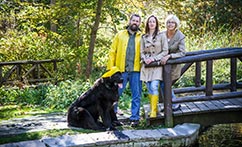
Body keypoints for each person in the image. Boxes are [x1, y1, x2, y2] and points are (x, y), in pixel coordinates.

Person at [107, 14, 142, 127]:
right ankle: (112, 117)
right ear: (129, 21)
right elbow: (112, 52)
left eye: (137, 21)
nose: (135, 22)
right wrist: (111, 69)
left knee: (136, 94)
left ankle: (135, 118)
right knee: (115, 94)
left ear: (139, 23)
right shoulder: (120, 35)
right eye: (133, 20)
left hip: (136, 70)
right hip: (121, 71)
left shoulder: (142, 37)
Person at [140, 15, 168, 118]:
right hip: (146, 66)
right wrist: (145, 59)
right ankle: (154, 107)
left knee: (154, 86)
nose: (151, 23)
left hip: (156, 65)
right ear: (147, 24)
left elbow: (165, 51)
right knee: (149, 88)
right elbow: (141, 52)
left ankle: (153, 111)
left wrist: (154, 58)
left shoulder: (162, 36)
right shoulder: (143, 37)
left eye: (153, 22)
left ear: (156, 24)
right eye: (150, 22)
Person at [160, 14, 186, 111]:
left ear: (176, 24)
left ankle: (172, 104)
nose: (170, 24)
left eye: (172, 22)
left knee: (166, 84)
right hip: (162, 65)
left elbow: (182, 52)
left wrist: (170, 56)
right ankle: (170, 104)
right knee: (163, 83)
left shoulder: (180, 36)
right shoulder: (162, 34)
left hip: (174, 65)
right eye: (168, 22)